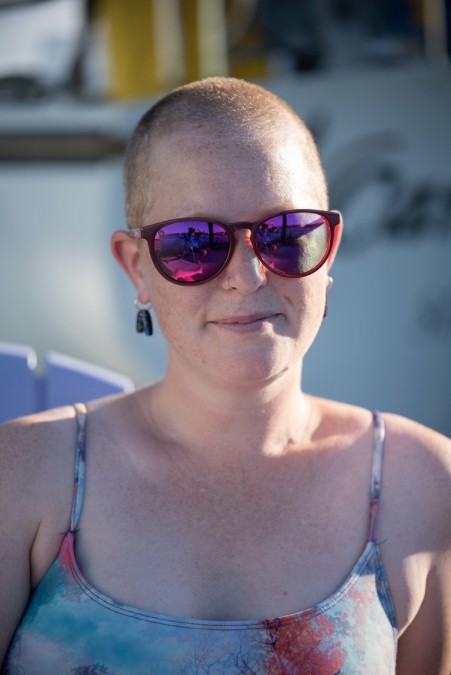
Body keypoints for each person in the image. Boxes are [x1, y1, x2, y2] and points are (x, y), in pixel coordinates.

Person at [1, 77, 450, 674]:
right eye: (194, 243)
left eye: (285, 235)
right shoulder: (26, 475)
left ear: (329, 250)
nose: (248, 275)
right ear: (137, 267)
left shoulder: (421, 485)